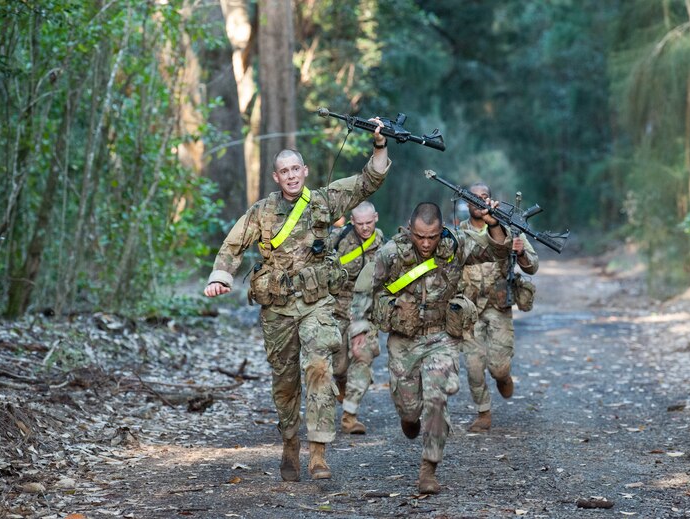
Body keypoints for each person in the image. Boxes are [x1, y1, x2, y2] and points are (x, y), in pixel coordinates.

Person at [203, 122, 390, 482]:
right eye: (284, 171)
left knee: (319, 367)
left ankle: (318, 453)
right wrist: (220, 276)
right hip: (277, 308)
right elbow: (232, 245)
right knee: (285, 382)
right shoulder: (262, 211)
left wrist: (379, 144)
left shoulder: (324, 200)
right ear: (277, 176)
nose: (291, 176)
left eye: (296, 169)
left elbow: (369, 179)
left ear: (305, 171)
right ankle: (290, 442)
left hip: (317, 303)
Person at [351, 201, 512, 494]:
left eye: (433, 236)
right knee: (410, 413)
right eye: (420, 236)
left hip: (442, 337)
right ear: (410, 229)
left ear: (441, 231)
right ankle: (410, 419)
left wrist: (493, 223)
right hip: (403, 340)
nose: (426, 243)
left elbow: (497, 251)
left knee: (437, 399)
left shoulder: (455, 245)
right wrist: (359, 330)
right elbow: (365, 290)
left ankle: (429, 468)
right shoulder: (392, 253)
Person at [458, 182, 538, 433]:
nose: (480, 201)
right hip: (469, 308)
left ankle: (503, 377)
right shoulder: (456, 234)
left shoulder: (509, 229)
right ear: (467, 203)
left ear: (491, 201)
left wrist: (521, 252)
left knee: (499, 365)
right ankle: (483, 412)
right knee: (473, 366)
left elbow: (532, 266)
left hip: (498, 305)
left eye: (485, 197)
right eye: (475, 198)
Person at [329, 201, 385, 434]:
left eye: (369, 223)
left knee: (363, 356)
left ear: (376, 218)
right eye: (360, 224)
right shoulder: (338, 240)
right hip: (338, 311)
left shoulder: (385, 245)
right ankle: (341, 384)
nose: (365, 228)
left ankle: (350, 416)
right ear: (352, 221)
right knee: (339, 367)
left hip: (367, 314)